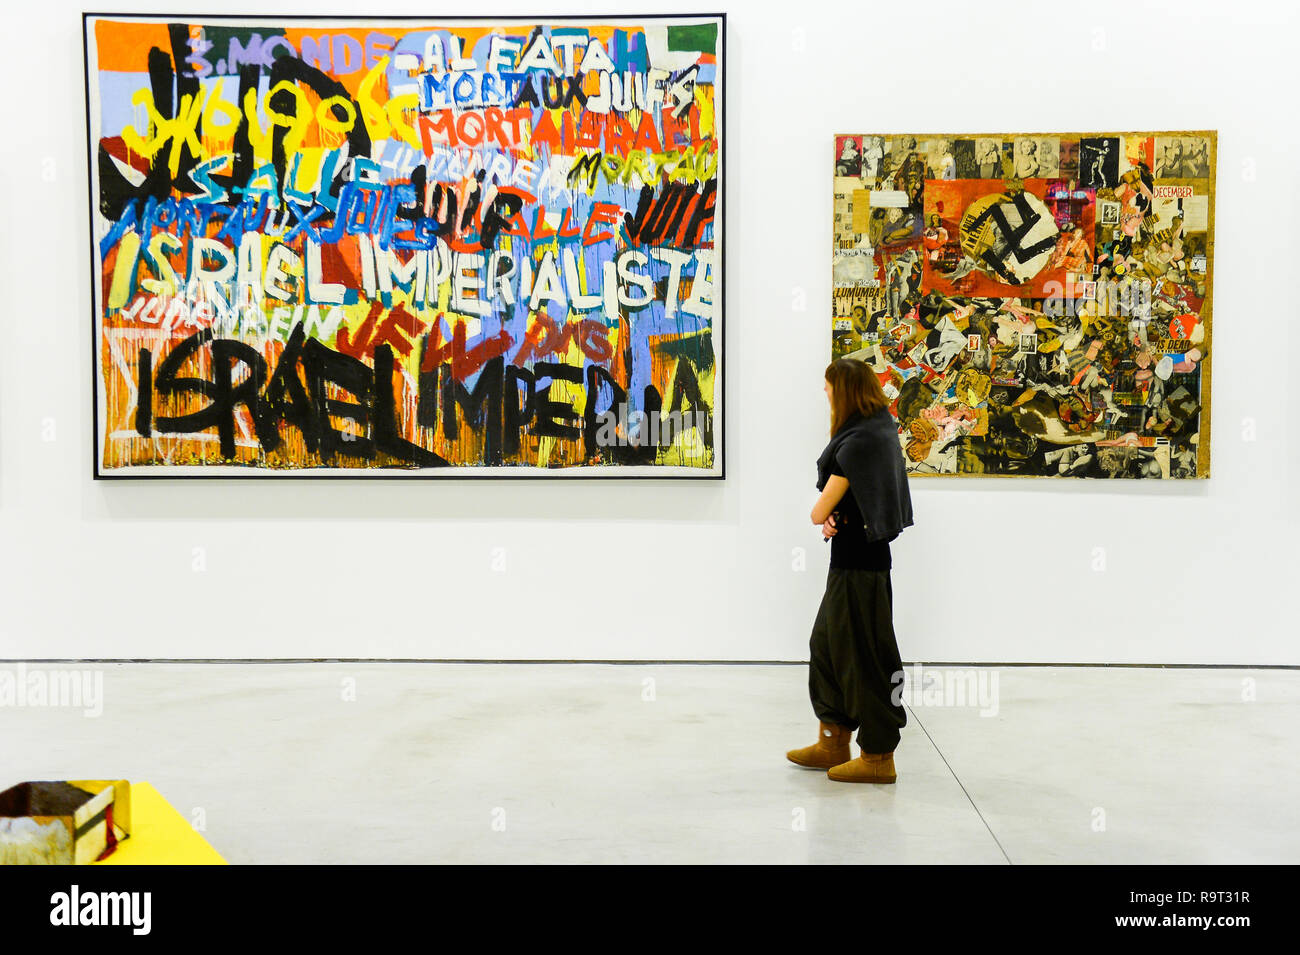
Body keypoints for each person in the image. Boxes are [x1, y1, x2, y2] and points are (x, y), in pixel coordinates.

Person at [787, 359, 914, 783]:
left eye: (828, 390)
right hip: (855, 562)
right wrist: (835, 515)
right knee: (828, 645)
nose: (825, 397)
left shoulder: (858, 441)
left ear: (843, 391)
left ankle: (878, 757)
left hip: (859, 566)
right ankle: (833, 740)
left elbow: (818, 509)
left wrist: (827, 514)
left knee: (864, 656)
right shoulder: (878, 429)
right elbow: (854, 501)